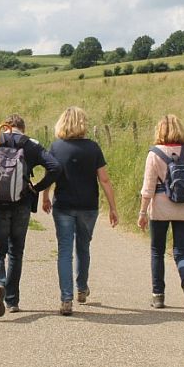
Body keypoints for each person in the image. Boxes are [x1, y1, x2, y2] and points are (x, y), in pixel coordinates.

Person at [0, 114, 61, 317]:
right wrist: (37, 188)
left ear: (6, 127)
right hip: (22, 204)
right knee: (16, 251)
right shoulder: (31, 144)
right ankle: (12, 301)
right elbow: (55, 167)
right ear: (22, 128)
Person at [42, 106, 119, 316]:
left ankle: (66, 299)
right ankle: (82, 289)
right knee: (83, 247)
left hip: (64, 206)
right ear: (83, 123)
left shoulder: (56, 147)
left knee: (65, 251)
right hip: (88, 206)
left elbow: (51, 174)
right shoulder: (93, 148)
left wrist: (45, 195)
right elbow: (104, 179)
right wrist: (113, 207)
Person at [137, 114, 184, 315]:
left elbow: (148, 189)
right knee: (181, 252)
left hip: (160, 210)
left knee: (157, 250)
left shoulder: (154, 153)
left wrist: (142, 213)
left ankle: (158, 296)